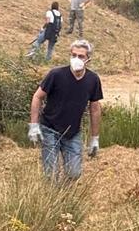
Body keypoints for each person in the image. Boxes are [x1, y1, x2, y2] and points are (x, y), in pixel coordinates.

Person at [28, 40, 103, 182]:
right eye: (73, 55)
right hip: (49, 128)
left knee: (74, 173)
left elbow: (94, 108)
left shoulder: (93, 80)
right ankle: (52, 199)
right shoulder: (56, 75)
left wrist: (94, 138)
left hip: (72, 132)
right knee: (51, 175)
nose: (76, 59)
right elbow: (37, 97)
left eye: (81, 56)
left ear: (88, 60)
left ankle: (64, 196)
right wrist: (33, 125)